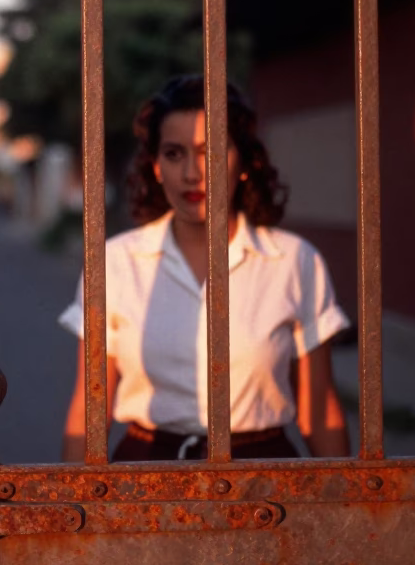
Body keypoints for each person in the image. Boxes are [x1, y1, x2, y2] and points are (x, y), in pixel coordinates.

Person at [60, 75, 351, 462]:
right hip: (145, 475)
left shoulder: (294, 260)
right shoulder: (114, 263)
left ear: (244, 162)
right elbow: (88, 409)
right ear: (157, 167)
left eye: (210, 151)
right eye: (174, 153)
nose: (192, 173)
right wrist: (74, 510)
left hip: (264, 476)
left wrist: (341, 509)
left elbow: (319, 410)